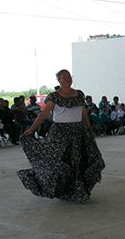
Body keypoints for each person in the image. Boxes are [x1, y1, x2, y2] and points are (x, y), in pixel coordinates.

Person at [17, 69, 105, 202]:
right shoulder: (54, 96)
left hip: (78, 132)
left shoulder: (79, 94)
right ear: (59, 80)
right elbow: (44, 114)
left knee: (81, 161)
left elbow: (83, 111)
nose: (68, 79)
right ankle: (62, 189)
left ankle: (78, 190)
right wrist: (32, 129)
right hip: (60, 134)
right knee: (58, 162)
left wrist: (88, 126)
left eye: (69, 76)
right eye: (64, 77)